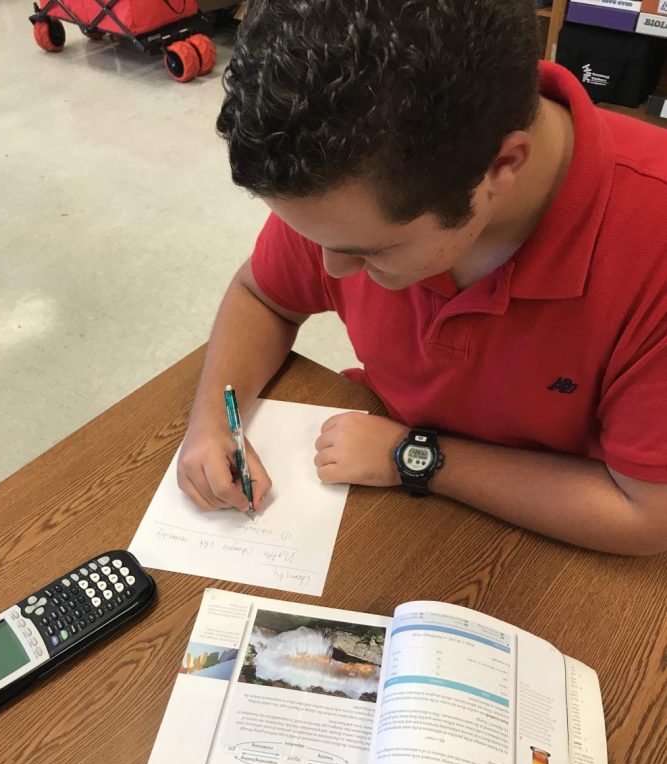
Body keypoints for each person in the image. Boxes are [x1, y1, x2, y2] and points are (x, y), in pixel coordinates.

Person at [178, 0, 667, 555]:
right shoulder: (344, 176)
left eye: (370, 251)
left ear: (503, 168)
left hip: (548, 539)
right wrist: (213, 423)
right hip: (376, 489)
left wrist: (416, 458)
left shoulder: (650, 244)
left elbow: (645, 515)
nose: (330, 268)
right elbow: (262, 294)